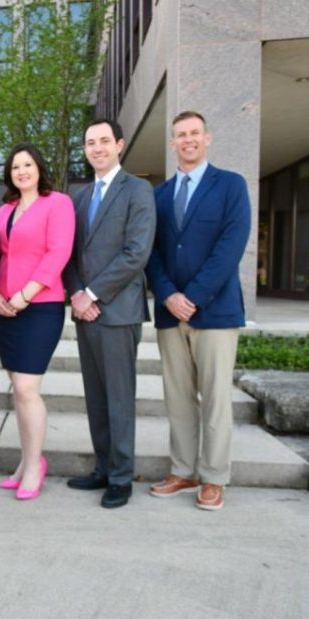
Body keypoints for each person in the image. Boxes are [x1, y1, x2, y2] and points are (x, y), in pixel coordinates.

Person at [145, 111, 250, 511]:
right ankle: (184, 469)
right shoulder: (159, 195)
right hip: (172, 314)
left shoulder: (231, 186)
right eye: (180, 135)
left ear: (207, 138)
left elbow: (231, 245)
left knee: (216, 398)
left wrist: (195, 296)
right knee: (178, 398)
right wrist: (169, 295)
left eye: (194, 133)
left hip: (215, 311)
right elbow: (151, 253)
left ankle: (214, 477)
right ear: (172, 143)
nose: (187, 140)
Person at [62, 119, 156, 509]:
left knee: (119, 398)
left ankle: (121, 477)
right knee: (96, 397)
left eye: (104, 141)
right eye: (90, 142)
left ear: (119, 144)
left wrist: (93, 293)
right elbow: (67, 255)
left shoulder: (138, 190)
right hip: (86, 312)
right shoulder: (79, 197)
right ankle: (102, 467)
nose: (97, 148)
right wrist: (76, 294)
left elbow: (136, 252)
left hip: (117, 311)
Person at [0, 143, 74, 501]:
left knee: (26, 389)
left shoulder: (58, 203)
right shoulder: (4, 210)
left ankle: (35, 464)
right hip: (4, 308)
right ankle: (26, 463)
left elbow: (59, 252)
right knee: (18, 389)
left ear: (39, 168)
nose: (22, 171)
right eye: (15, 166)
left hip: (40, 306)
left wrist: (25, 295)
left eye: (28, 165)